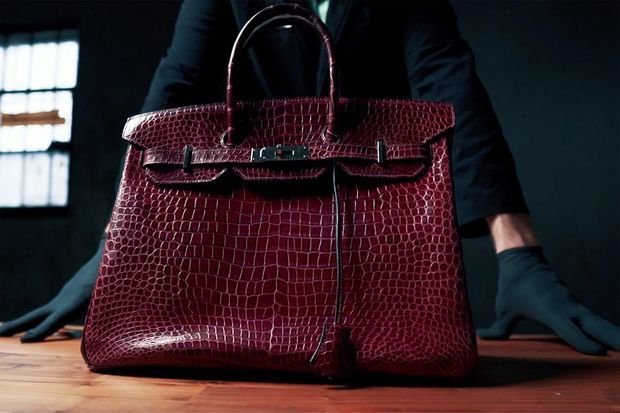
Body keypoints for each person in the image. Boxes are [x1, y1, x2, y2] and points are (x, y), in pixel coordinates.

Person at [1, 0, 618, 355]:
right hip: (253, 225)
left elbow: (448, 78)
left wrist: (517, 249)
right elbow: (175, 89)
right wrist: (119, 245)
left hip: (375, 215)